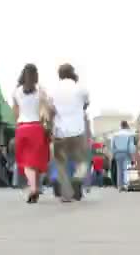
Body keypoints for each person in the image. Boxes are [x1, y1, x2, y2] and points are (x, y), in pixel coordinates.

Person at [50, 64, 90, 202]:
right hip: (77, 130)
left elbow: (51, 108)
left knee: (60, 163)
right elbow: (86, 104)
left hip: (59, 131)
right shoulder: (81, 88)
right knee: (81, 161)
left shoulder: (53, 90)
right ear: (73, 73)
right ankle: (77, 178)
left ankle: (66, 195)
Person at [13, 64, 51, 204]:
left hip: (22, 128)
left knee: (27, 162)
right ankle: (35, 186)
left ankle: (33, 187)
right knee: (37, 161)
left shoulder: (16, 92)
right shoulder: (41, 91)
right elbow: (46, 109)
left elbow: (16, 113)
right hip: (37, 128)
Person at [111, 121, 135, 192]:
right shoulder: (130, 134)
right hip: (126, 153)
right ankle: (126, 185)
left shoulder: (115, 134)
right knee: (126, 170)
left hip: (117, 153)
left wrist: (113, 153)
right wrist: (132, 155)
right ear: (127, 126)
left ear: (121, 126)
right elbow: (131, 146)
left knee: (119, 169)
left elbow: (112, 145)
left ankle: (120, 186)